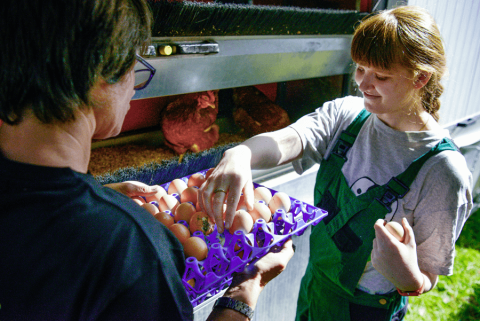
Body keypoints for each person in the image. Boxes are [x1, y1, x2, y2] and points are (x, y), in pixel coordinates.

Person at [0, 0, 294, 320]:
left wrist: (96, 196)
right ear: (101, 73)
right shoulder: (129, 248)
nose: (133, 89)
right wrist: (245, 291)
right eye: (134, 67)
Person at [198, 5, 473, 321]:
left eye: (380, 76)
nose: (363, 84)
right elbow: (291, 139)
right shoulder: (348, 117)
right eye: (359, 69)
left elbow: (427, 277)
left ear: (420, 78)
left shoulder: (441, 170)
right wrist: (242, 154)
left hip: (366, 312)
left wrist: (407, 277)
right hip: (315, 289)